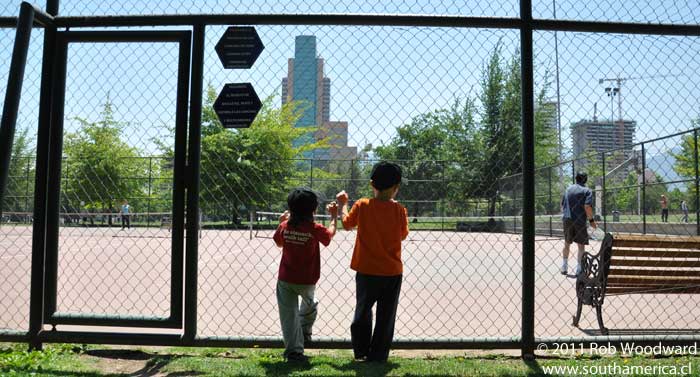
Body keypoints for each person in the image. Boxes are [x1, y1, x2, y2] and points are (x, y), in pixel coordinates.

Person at [336, 161, 409, 362]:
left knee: (363, 310)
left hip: (367, 270)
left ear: (371, 184)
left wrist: (343, 205)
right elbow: (402, 235)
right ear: (396, 187)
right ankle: (379, 355)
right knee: (386, 316)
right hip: (392, 272)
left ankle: (361, 351)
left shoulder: (362, 205)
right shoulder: (400, 210)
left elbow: (347, 224)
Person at [273, 188, 338, 363]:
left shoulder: (285, 226)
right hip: (307, 279)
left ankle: (294, 350)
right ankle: (303, 334)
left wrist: (281, 223)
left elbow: (279, 243)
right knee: (310, 304)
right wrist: (333, 217)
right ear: (314, 210)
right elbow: (329, 236)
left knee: (288, 315)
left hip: (285, 278)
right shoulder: (314, 228)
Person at [560, 172, 596, 275]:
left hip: (567, 219)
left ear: (576, 179)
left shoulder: (568, 189)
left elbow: (562, 205)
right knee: (581, 246)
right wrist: (591, 221)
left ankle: (564, 266)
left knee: (567, 243)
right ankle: (579, 269)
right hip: (579, 220)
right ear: (585, 179)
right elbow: (587, 207)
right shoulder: (587, 190)